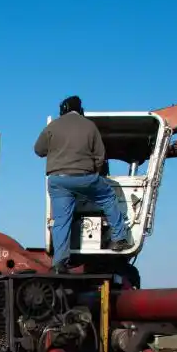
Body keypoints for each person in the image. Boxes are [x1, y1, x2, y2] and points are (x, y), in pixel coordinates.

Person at [33, 96, 133, 272]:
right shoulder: (89, 126)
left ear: (63, 109)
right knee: (108, 197)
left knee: (61, 220)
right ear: (80, 109)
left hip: (59, 180)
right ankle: (119, 238)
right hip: (85, 178)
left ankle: (60, 261)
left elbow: (38, 150)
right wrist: (92, 172)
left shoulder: (53, 126)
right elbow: (100, 156)